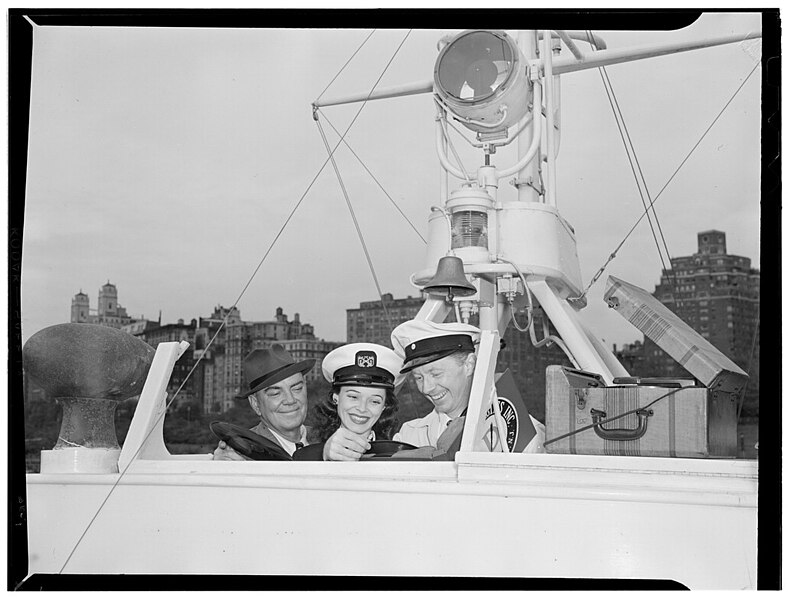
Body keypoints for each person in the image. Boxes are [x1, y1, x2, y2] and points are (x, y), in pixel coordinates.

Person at [390, 319, 545, 455]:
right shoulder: (408, 435)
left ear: (469, 365)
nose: (426, 388)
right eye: (418, 377)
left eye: (436, 374)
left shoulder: (523, 431)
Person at [295, 343, 402, 461]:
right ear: (336, 398)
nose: (362, 408)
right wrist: (324, 455)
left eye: (375, 401)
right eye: (353, 397)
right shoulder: (307, 452)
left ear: (384, 406)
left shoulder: (398, 452)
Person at [212, 344, 314, 460]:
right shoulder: (242, 454)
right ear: (255, 404)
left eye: (297, 389)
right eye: (275, 393)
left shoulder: (328, 441)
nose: (290, 400)